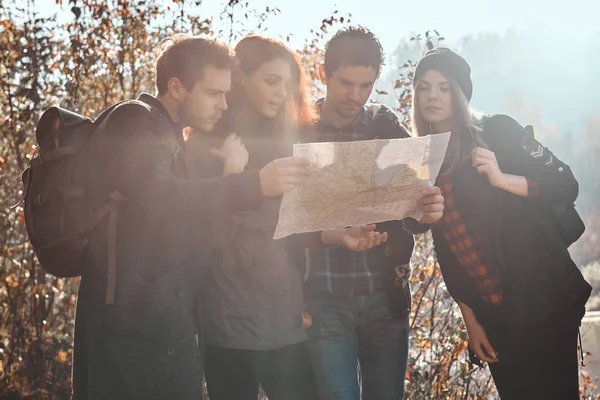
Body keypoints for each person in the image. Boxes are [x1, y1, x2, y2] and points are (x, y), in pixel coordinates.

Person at [72, 34, 312, 400]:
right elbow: (162, 197)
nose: (223, 104)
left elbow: (196, 230)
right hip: (128, 323)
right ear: (177, 86)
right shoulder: (134, 120)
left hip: (164, 321)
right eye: (214, 93)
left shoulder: (170, 136)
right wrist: (250, 183)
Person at [185, 34, 389, 400]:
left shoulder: (288, 141)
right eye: (271, 81)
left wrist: (334, 235)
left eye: (287, 84)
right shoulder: (208, 145)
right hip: (229, 322)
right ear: (241, 78)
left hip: (285, 318)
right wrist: (236, 179)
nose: (281, 93)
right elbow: (206, 244)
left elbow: (289, 227)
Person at [411, 47, 592, 399]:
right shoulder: (423, 160)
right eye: (423, 86)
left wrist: (501, 177)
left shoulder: (497, 130)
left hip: (544, 299)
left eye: (444, 87)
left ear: (460, 93)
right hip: (494, 317)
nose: (432, 95)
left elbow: (565, 183)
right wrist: (470, 320)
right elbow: (448, 248)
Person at [303, 26, 444, 400]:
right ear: (323, 74)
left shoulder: (386, 129)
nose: (356, 96)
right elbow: (283, 221)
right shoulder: (300, 131)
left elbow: (412, 214)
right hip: (324, 297)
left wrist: (427, 212)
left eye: (366, 86)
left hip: (385, 297)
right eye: (346, 83)